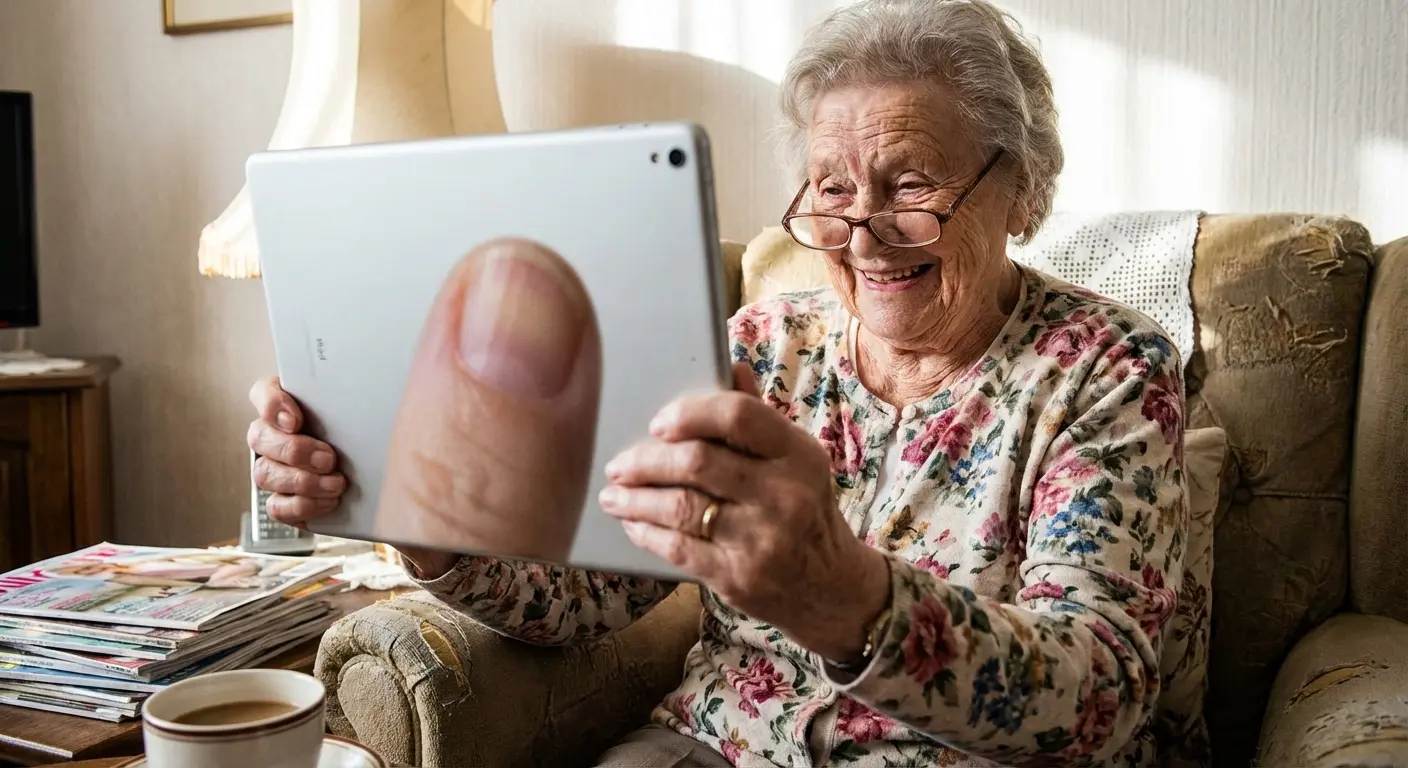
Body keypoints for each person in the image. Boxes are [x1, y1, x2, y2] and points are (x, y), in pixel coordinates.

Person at [246, 0, 1191, 764]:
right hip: (713, 749)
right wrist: (413, 509)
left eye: (910, 186)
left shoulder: (1105, 370)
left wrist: (846, 598)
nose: (861, 233)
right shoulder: (762, 347)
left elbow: (1097, 701)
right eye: (830, 188)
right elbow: (589, 596)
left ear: (1021, 188)